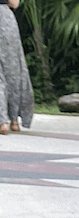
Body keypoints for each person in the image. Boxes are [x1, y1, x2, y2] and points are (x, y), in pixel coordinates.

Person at [0, 0, 33, 135]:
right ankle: (14, 121)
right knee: (12, 71)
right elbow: (14, 3)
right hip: (6, 22)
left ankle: (2, 122)